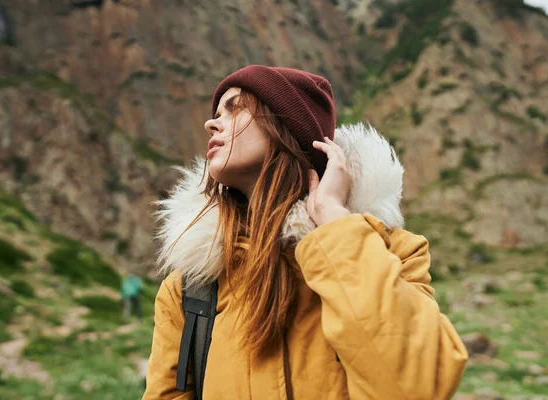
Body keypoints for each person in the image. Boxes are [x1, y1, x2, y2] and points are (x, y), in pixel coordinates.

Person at [143, 65, 468, 399]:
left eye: (236, 107)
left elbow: (418, 386)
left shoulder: (393, 255)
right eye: (216, 113)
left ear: (287, 127)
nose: (212, 122)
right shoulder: (191, 290)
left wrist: (333, 219)